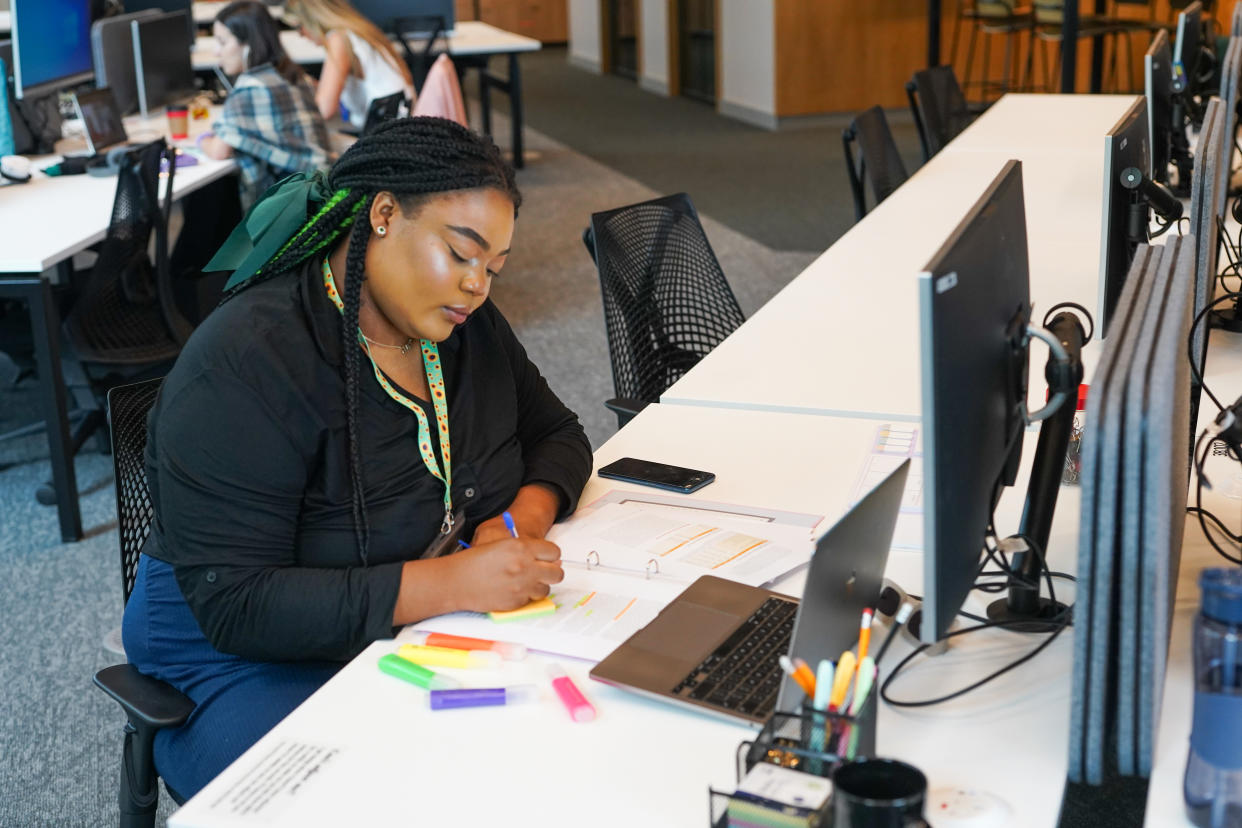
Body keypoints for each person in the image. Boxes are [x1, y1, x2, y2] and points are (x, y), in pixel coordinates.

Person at [121, 117, 593, 799]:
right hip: (238, 650)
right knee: (369, 799)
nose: (477, 287)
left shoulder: (464, 327)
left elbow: (557, 433)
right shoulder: (247, 363)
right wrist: (457, 582)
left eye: (493, 267)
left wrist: (514, 524)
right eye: (461, 253)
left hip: (406, 614)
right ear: (382, 214)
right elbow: (239, 605)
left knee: (520, 765)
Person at [199, 0, 334, 208]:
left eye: (223, 42)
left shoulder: (250, 89)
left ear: (248, 46)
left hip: (293, 204)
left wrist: (201, 140)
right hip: (322, 191)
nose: (217, 51)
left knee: (211, 199)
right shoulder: (295, 75)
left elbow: (219, 150)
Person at [286, 0, 416, 128]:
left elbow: (324, 110)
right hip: (399, 122)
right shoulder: (356, 32)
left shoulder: (338, 39)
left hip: (387, 132)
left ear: (313, 18)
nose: (301, 34)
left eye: (299, 25)